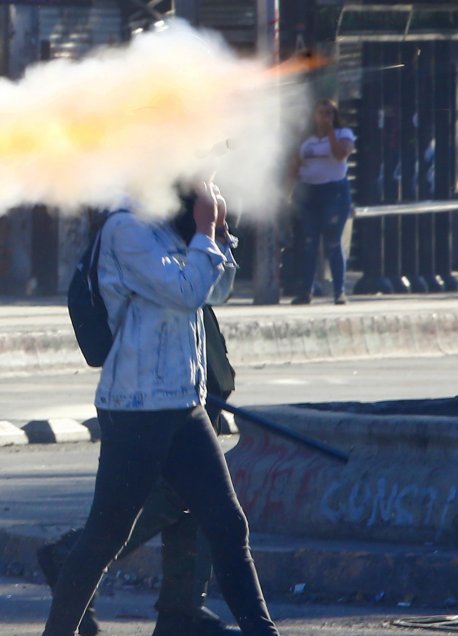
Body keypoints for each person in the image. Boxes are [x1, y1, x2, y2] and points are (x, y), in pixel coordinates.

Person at [41, 184, 278, 636]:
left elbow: (215, 291)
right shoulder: (127, 228)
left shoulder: (171, 228)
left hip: (184, 403)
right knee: (105, 536)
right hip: (137, 407)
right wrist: (204, 230)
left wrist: (218, 234)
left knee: (228, 526)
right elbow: (185, 290)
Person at [290, 98, 356, 306]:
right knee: (309, 242)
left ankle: (339, 291)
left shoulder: (343, 135)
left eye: (329, 113)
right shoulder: (307, 140)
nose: (325, 117)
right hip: (309, 192)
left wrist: (330, 133)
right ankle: (305, 291)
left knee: (333, 242)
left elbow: (340, 154)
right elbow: (295, 165)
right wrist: (288, 192)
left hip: (334, 192)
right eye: (321, 113)